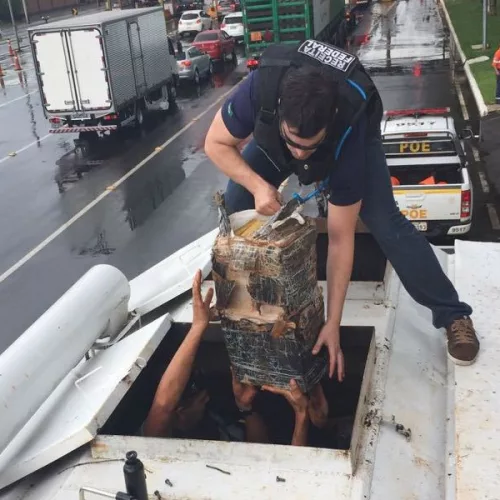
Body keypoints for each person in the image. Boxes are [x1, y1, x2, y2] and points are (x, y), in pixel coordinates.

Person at [204, 39, 480, 376]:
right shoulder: (258, 89)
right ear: (277, 111)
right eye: (294, 142)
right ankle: (245, 302)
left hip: (344, 145)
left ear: (330, 121)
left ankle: (453, 314)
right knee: (236, 202)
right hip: (274, 142)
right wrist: (259, 185)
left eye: (309, 146)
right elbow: (215, 143)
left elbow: (339, 238)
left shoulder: (350, 127)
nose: (300, 156)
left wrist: (333, 322)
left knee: (385, 223)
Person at [142, 270, 320, 445]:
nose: (205, 398)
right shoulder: (155, 447)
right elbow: (162, 407)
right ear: (179, 413)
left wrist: (245, 408)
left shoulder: (210, 423)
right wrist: (198, 327)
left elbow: (259, 454)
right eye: (196, 395)